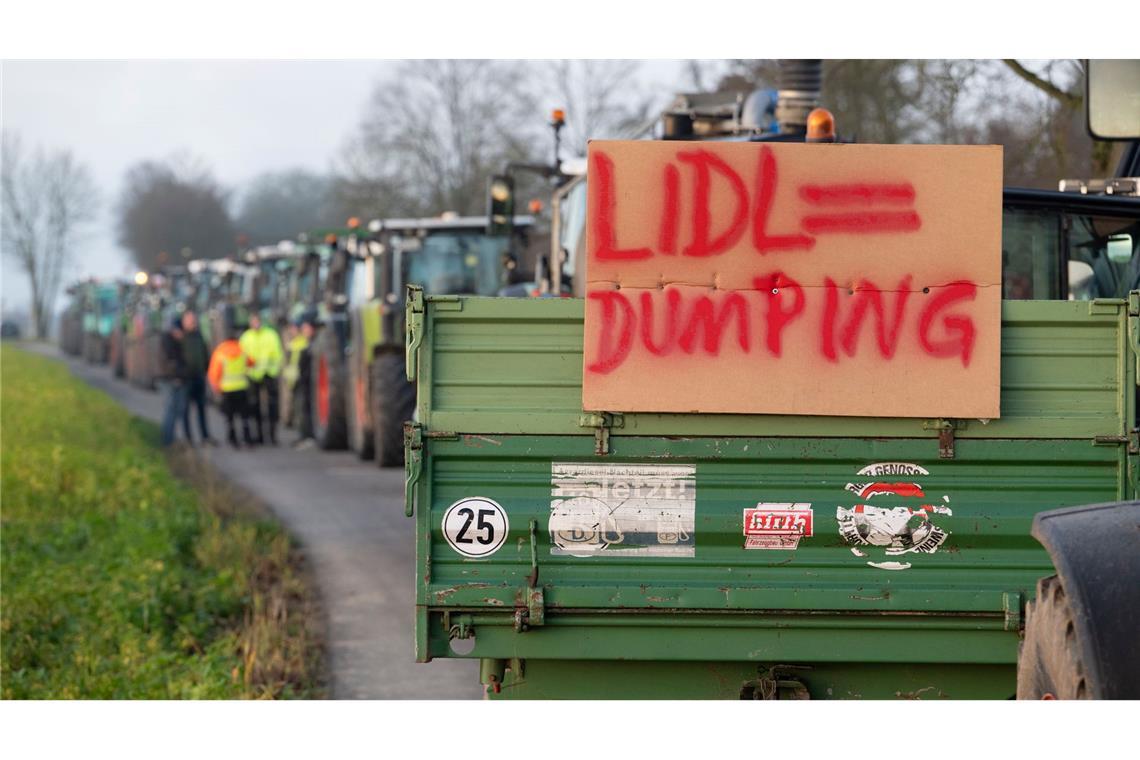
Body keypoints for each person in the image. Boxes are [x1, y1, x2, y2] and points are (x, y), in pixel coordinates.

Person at [239, 313, 284, 445]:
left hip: (269, 374)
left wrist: (274, 369)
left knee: (272, 406)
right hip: (253, 375)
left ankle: (272, 436)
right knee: (255, 407)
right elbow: (243, 356)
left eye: (257, 321)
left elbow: (277, 354)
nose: (255, 324)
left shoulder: (271, 335)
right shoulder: (246, 337)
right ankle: (259, 436)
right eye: (253, 322)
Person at [207, 326, 254, 449]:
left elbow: (213, 373)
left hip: (227, 390)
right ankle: (247, 439)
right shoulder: (242, 349)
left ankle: (233, 439)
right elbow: (251, 362)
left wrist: (215, 388)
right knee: (244, 416)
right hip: (242, 388)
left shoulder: (220, 351)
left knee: (230, 417)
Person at [180, 310, 217, 446]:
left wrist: (206, 370)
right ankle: (188, 438)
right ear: (184, 322)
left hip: (199, 377)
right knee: (185, 410)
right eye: (189, 320)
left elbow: (205, 354)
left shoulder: (199, 336)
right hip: (186, 379)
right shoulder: (181, 338)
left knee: (202, 409)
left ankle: (205, 436)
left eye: (193, 319)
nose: (192, 322)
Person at [159, 315, 188, 447]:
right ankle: (167, 441)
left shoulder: (173, 341)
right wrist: (176, 377)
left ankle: (171, 439)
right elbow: (169, 363)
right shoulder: (168, 342)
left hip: (175, 379)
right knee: (171, 410)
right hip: (171, 380)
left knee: (176, 410)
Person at [290, 314, 317, 450]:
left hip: (308, 382)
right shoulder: (300, 343)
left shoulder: (308, 344)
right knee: (302, 411)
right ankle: (304, 436)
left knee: (306, 410)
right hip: (300, 382)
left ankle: (309, 436)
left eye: (306, 327)